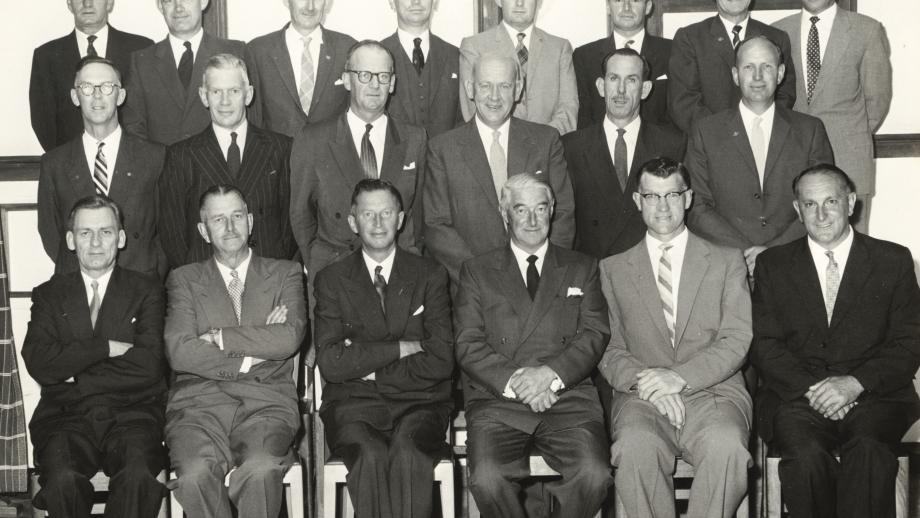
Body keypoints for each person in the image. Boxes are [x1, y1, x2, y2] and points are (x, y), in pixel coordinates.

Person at [751, 164, 920, 518]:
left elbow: (909, 341)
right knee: (806, 455)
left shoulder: (893, 260)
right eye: (810, 204)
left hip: (877, 395)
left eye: (831, 201)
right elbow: (765, 344)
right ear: (797, 210)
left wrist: (854, 384)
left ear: (851, 202)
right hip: (798, 397)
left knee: (870, 449)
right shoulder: (773, 264)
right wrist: (818, 390)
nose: (822, 214)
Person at [599, 157, 752, 518]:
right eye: (652, 196)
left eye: (672, 195)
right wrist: (652, 385)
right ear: (638, 201)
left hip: (713, 393)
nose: (662, 206)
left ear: (688, 198)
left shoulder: (727, 261)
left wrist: (679, 378)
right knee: (635, 448)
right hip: (642, 397)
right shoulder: (612, 268)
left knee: (727, 448)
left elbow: (736, 338)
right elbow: (609, 348)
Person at [455, 173, 612, 518]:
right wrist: (521, 384)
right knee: (487, 477)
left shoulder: (582, 267)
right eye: (521, 210)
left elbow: (594, 333)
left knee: (595, 474)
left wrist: (551, 375)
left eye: (540, 209)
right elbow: (468, 343)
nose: (531, 220)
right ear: (504, 213)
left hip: (567, 397)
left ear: (553, 210)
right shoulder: (477, 271)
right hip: (499, 402)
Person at [314, 179, 454, 518]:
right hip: (354, 407)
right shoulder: (332, 279)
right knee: (370, 455)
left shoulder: (430, 274)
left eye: (386, 213)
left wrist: (365, 365)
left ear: (401, 218)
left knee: (409, 452)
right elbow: (331, 364)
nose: (378, 223)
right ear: (353, 222)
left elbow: (441, 361)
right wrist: (403, 347)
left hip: (420, 403)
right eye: (368, 214)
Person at [164, 185, 306, 517]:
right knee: (194, 475)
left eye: (237, 216)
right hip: (198, 406)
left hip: (266, 404)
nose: (229, 228)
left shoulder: (285, 273)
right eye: (218, 219)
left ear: (251, 222)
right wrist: (253, 354)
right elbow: (181, 352)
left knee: (260, 469)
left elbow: (288, 339)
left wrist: (219, 337)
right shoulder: (184, 279)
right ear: (203, 230)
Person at [23, 196, 168, 518]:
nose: (96, 243)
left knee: (138, 476)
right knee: (62, 480)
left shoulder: (147, 290)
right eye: (86, 233)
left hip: (133, 415)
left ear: (121, 237)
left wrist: (74, 374)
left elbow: (149, 365)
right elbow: (39, 362)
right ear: (71, 240)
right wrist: (102, 348)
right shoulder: (49, 294)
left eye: (105, 231)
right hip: (65, 417)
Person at [684, 36, 833, 275]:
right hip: (726, 264)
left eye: (766, 67)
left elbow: (822, 203)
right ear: (735, 75)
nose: (757, 76)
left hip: (794, 260)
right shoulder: (706, 131)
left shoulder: (810, 130)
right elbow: (696, 206)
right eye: (748, 67)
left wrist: (773, 252)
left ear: (781, 73)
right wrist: (744, 251)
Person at [423, 54, 574, 284]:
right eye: (485, 85)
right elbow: (436, 226)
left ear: (518, 89)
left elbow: (563, 212)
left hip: (538, 281)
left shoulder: (546, 140)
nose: (494, 96)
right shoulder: (442, 148)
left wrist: (543, 271)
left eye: (504, 86)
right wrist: (482, 278)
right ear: (470, 88)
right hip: (473, 288)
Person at [290, 40, 427, 284]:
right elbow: (301, 215)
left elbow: (419, 214)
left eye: (383, 76)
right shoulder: (313, 139)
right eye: (364, 75)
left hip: (399, 274)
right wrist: (317, 264)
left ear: (392, 83)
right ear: (346, 79)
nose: (375, 84)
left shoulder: (414, 138)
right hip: (335, 274)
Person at [158, 53, 295, 270]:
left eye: (234, 91)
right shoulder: (181, 155)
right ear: (204, 96)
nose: (225, 101)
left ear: (248, 94)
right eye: (216, 92)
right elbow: (173, 233)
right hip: (206, 284)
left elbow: (291, 226)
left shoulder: (281, 149)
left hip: (268, 277)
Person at [39, 57, 166, 279]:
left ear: (121, 95)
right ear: (75, 96)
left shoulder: (155, 157)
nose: (97, 95)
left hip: (141, 286)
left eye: (107, 87)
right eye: (87, 87)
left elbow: (167, 232)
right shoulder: (54, 163)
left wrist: (150, 277)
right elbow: (51, 233)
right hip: (76, 288)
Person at [773, 0, 892, 234]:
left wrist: (848, 135)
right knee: (794, 252)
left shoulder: (866, 30)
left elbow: (877, 100)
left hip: (848, 161)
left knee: (852, 250)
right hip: (791, 162)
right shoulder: (778, 32)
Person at [563, 48, 685, 260]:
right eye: (613, 78)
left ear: (645, 89)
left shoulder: (672, 144)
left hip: (651, 267)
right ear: (601, 86)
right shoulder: (571, 147)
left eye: (631, 80)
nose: (620, 90)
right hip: (593, 271)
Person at [29, 0, 153, 151]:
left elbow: (153, 113)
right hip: (70, 165)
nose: (87, 3)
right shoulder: (46, 56)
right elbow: (42, 120)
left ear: (109, 3)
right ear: (69, 4)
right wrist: (64, 162)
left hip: (131, 162)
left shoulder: (141, 48)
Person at [122, 0, 248, 145]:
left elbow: (251, 123)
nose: (178, 8)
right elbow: (133, 128)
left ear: (203, 2)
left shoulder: (236, 51)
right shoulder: (141, 61)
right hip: (163, 165)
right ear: (160, 6)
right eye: (169, 1)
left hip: (221, 164)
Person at [668, 0, 796, 134]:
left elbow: (785, 95)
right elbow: (683, 103)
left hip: (763, 139)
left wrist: (757, 129)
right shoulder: (690, 38)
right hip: (710, 145)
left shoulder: (776, 38)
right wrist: (725, 137)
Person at [459, 0, 578, 134]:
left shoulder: (560, 48)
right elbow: (473, 111)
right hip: (496, 148)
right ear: (498, 1)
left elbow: (568, 110)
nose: (520, 3)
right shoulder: (474, 46)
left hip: (548, 149)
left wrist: (542, 142)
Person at [247, 0, 356, 138]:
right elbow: (253, 122)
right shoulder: (258, 51)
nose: (310, 7)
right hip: (277, 157)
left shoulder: (347, 48)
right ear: (286, 2)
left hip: (331, 158)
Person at [574, 0, 672, 128]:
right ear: (608, 7)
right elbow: (583, 117)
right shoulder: (584, 56)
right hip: (600, 145)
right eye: (618, 0)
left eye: (635, 0)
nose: (627, 7)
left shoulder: (673, 52)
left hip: (660, 146)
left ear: (647, 7)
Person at [382, 0, 462, 138]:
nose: (416, 1)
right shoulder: (377, 56)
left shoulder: (456, 56)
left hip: (447, 157)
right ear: (392, 3)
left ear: (435, 2)